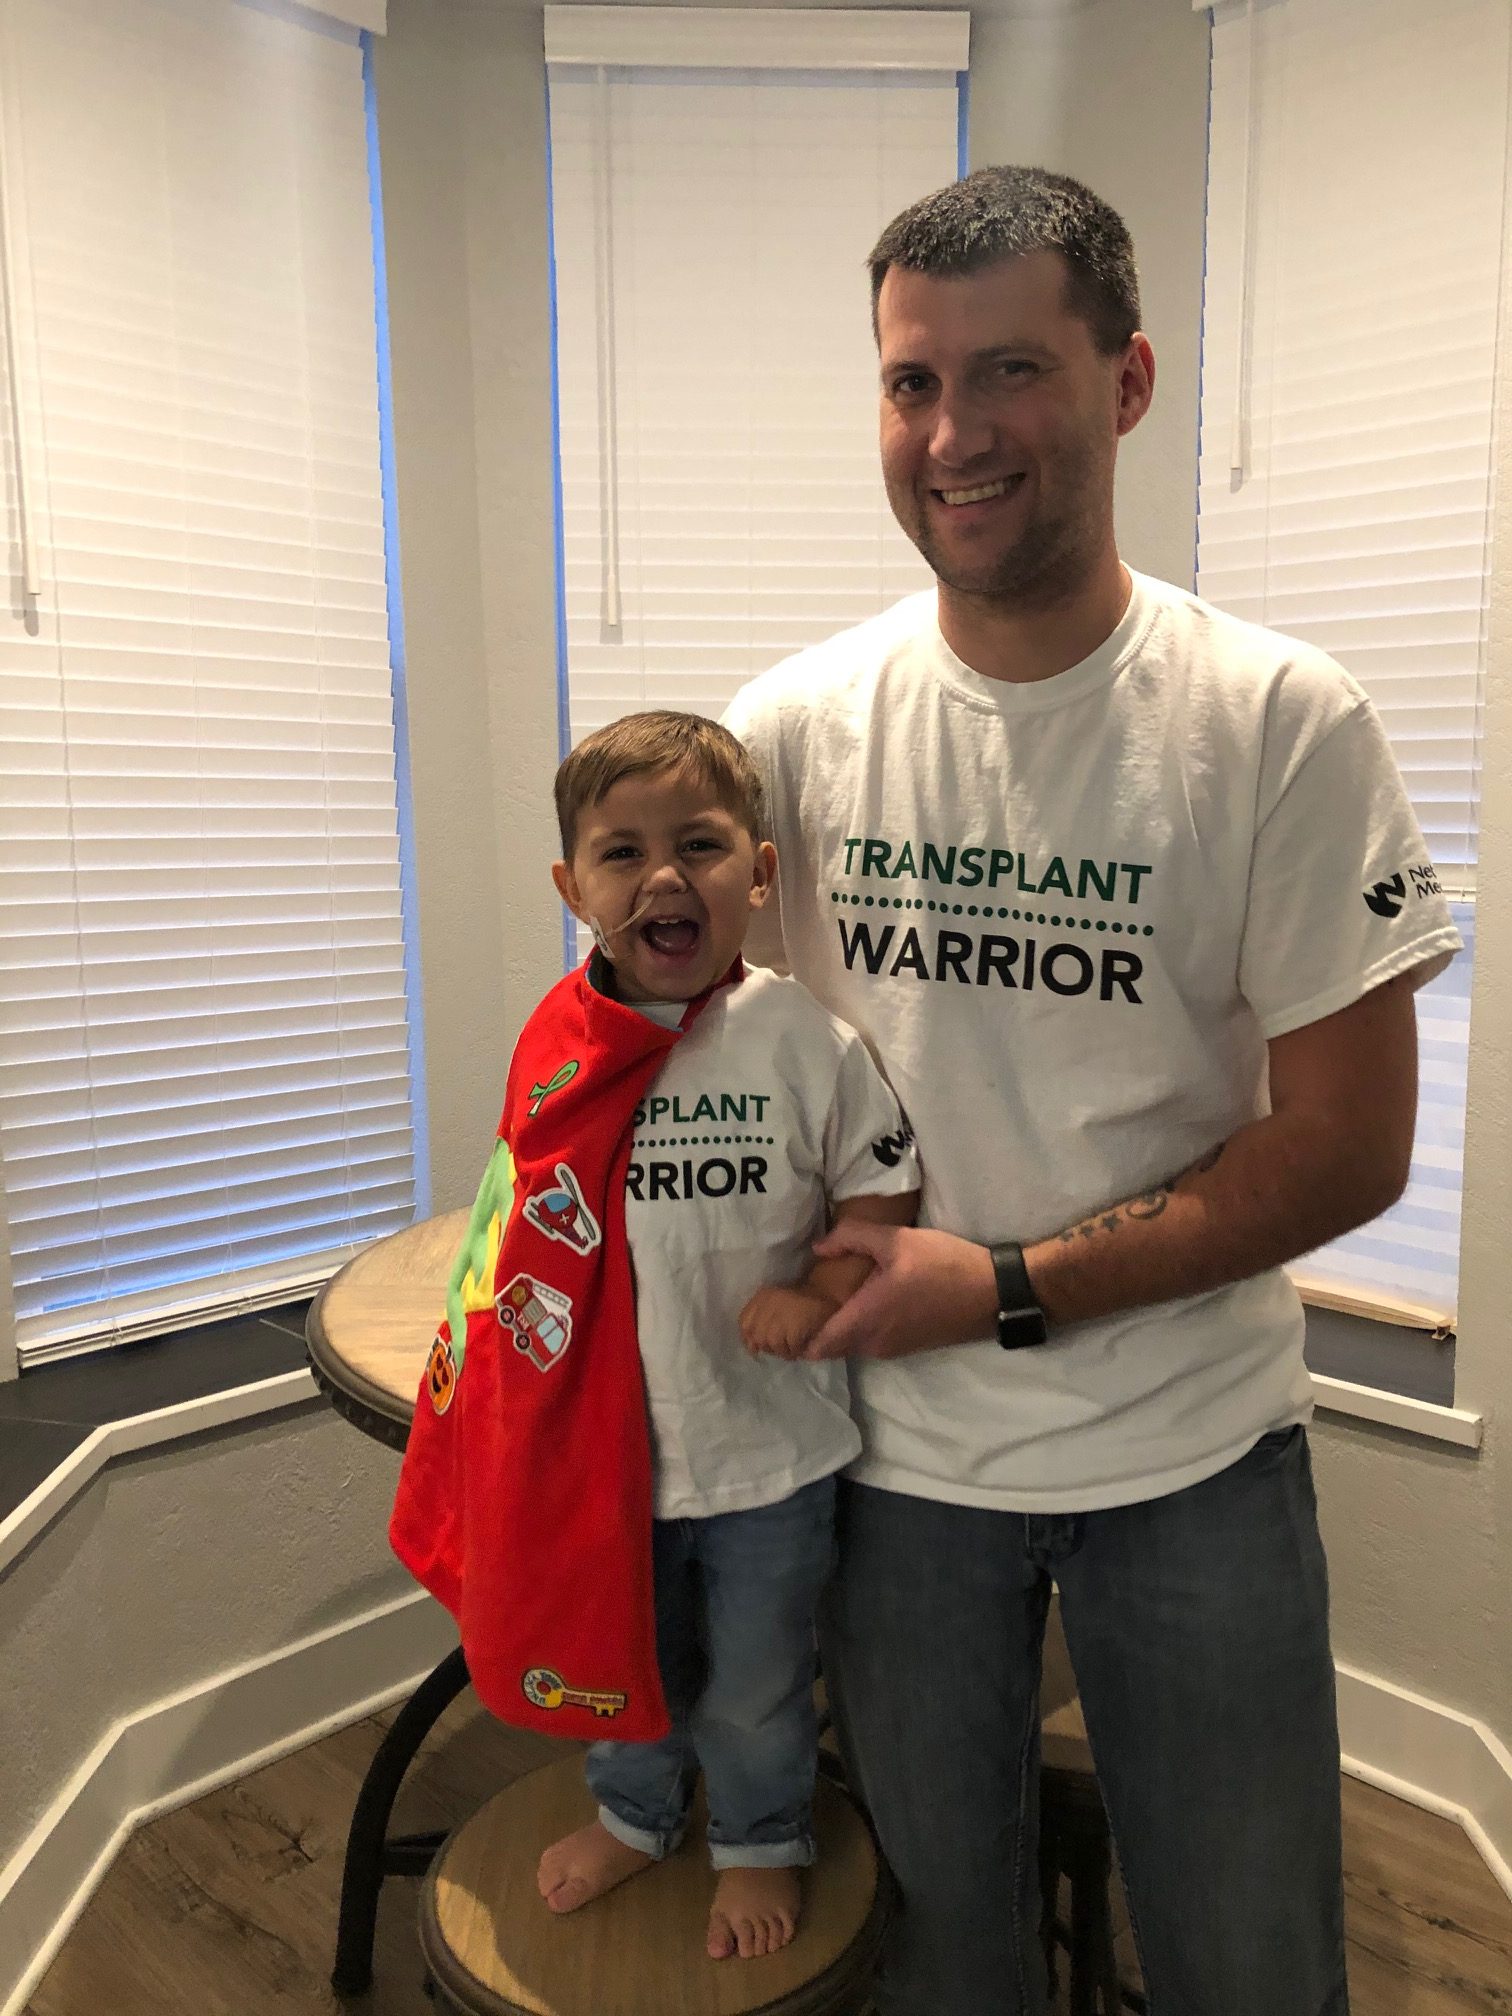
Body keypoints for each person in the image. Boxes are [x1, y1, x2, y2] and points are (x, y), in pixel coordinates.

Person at [721, 165, 1462, 2015]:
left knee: (1244, 1960)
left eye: (1008, 373)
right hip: (889, 1479)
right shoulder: (793, 733)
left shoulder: (1276, 722)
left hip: (1191, 1457)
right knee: (938, 1963)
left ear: (1123, 384)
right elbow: (659, 1060)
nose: (952, 435)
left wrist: (1007, 1284)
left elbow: (1349, 1147)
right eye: (909, 384)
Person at [528, 712, 920, 1961]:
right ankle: (636, 1813)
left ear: (758, 872)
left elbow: (881, 1184)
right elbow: (525, 1210)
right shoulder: (561, 1044)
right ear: (572, 886)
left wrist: (817, 1284)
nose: (662, 877)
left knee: (756, 1682)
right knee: (624, 1664)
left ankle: (758, 1841)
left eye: (698, 845)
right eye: (621, 852)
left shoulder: (804, 1037)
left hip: (767, 1458)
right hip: (614, 1460)